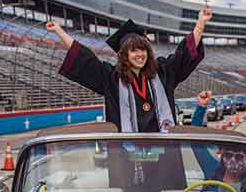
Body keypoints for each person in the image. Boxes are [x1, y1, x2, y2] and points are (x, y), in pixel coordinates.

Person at [46, 9, 212, 132]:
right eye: (134, 51)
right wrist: (60, 32)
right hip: (125, 157)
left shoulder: (163, 72)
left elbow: (183, 55)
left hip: (165, 153)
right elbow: (85, 58)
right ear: (124, 54)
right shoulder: (111, 79)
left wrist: (200, 23)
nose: (140, 55)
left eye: (143, 50)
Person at [189, 90, 246, 192]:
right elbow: (195, 140)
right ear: (223, 156)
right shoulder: (212, 168)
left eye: (239, 157)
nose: (233, 161)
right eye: (229, 155)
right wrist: (201, 106)